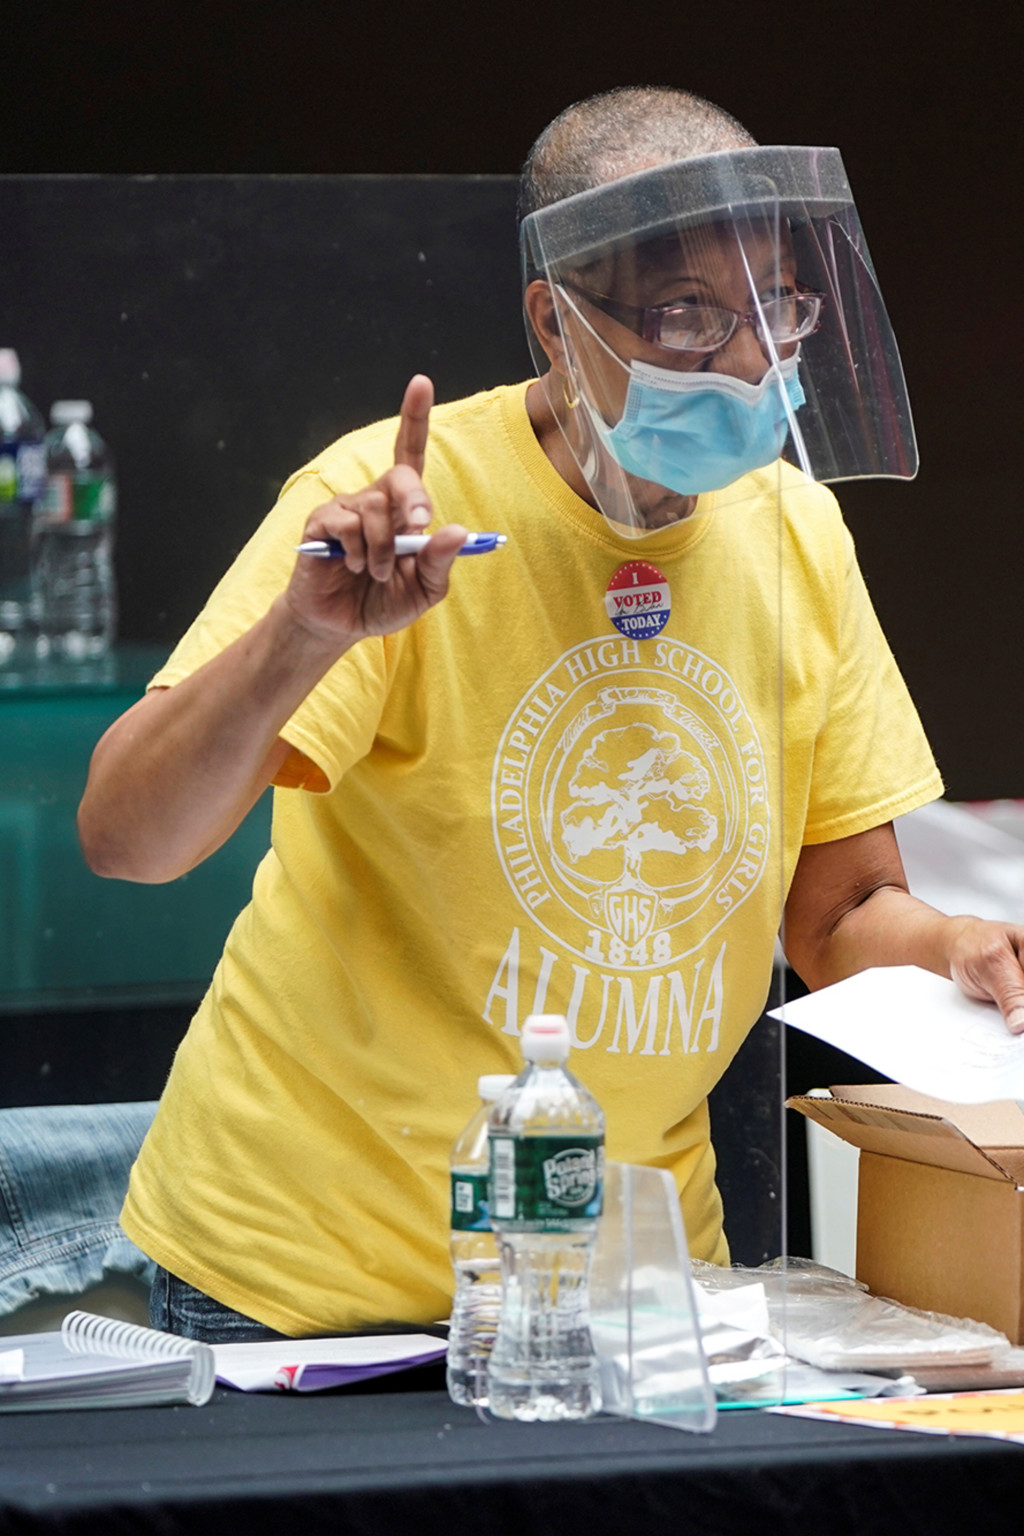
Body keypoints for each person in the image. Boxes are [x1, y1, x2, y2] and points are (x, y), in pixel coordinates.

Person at [79, 86, 1024, 1343]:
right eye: (687, 313)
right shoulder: (402, 509)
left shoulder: (794, 528)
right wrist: (301, 640)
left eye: (776, 309)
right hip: (304, 1285)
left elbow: (837, 911)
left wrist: (954, 945)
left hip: (629, 1286)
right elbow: (127, 841)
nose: (747, 363)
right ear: (555, 321)